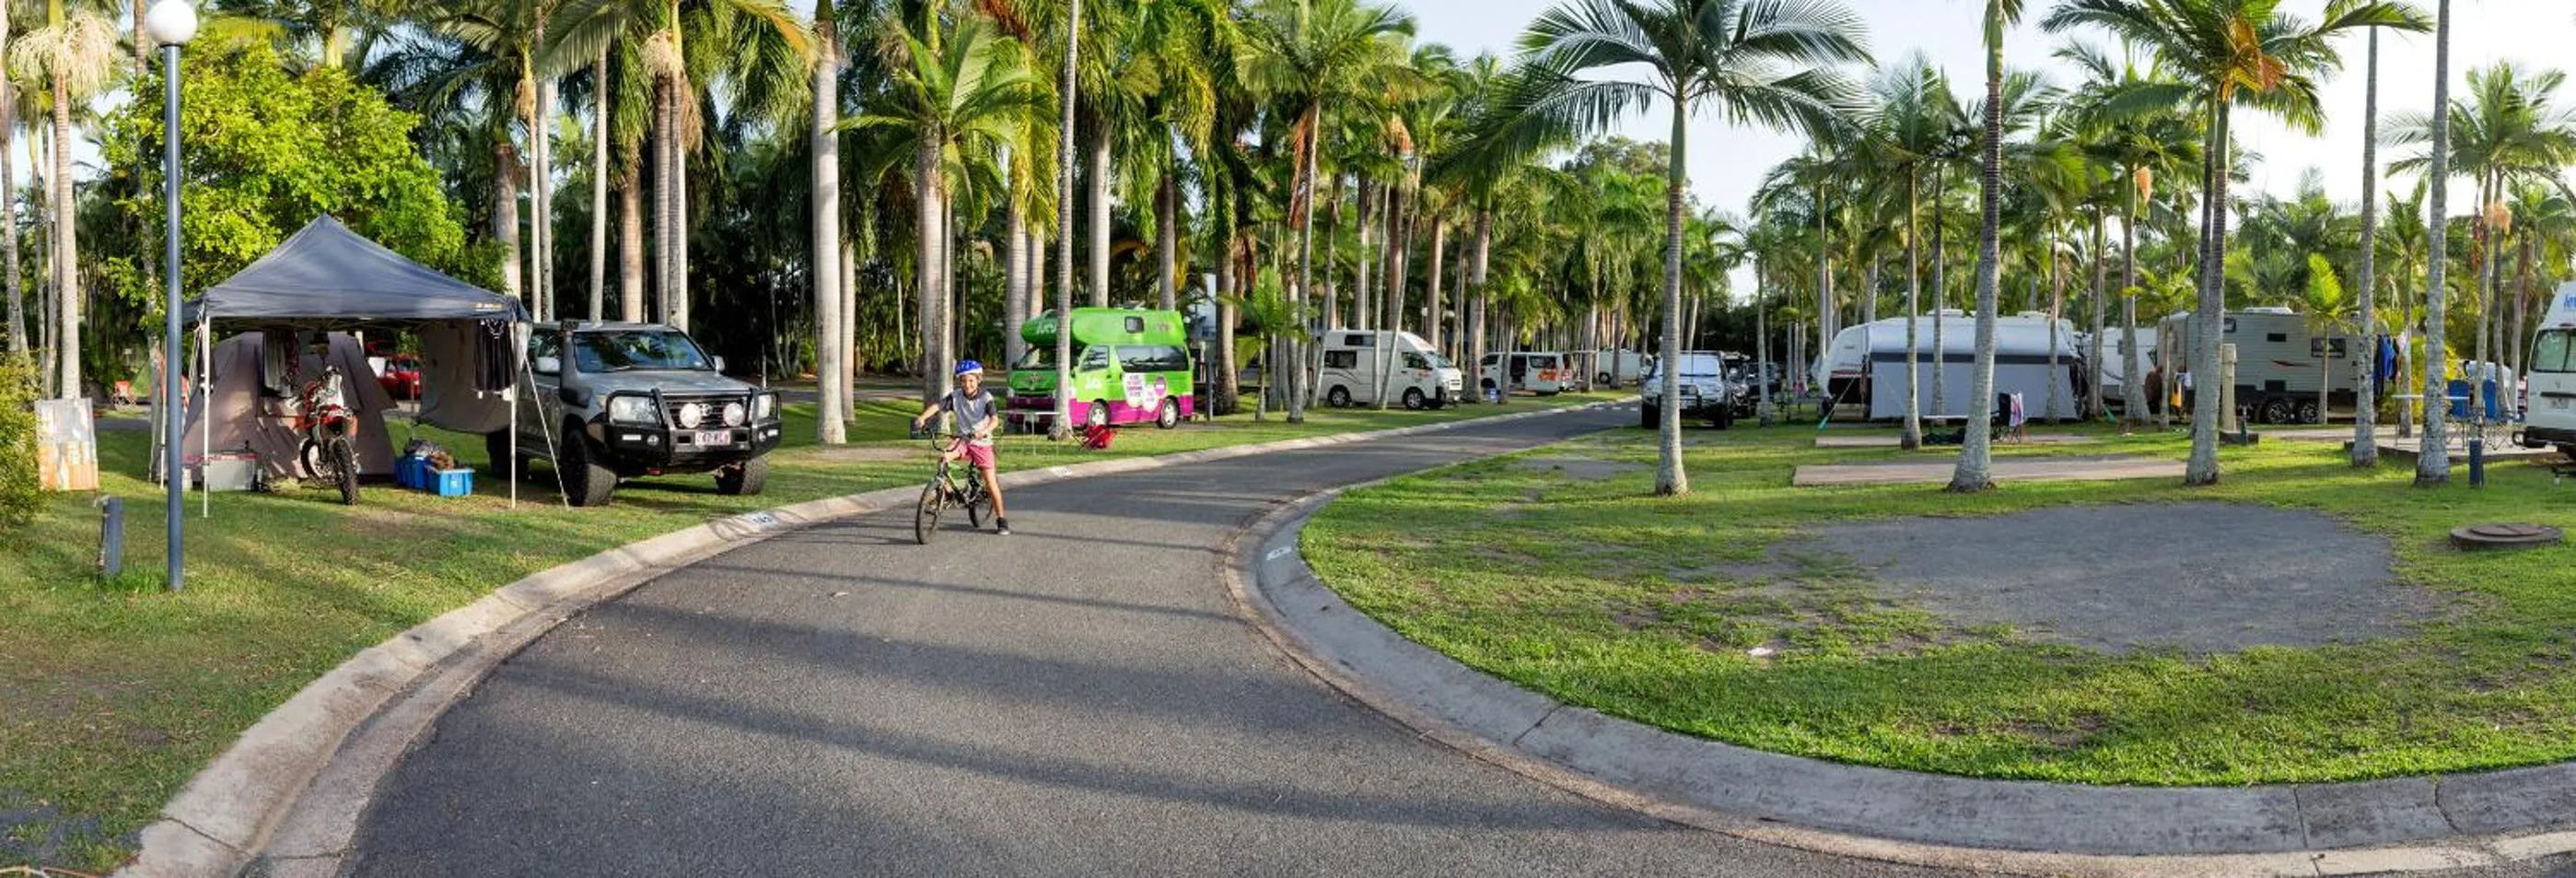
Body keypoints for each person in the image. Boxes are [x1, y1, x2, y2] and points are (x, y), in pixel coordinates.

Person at [912, 360, 1009, 535]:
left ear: (978, 380)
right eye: (963, 380)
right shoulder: (955, 396)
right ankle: (947, 492)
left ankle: (1001, 519)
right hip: (963, 440)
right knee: (943, 458)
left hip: (982, 443)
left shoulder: (986, 398)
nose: (967, 384)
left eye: (971, 380)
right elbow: (937, 406)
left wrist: (983, 431)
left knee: (990, 483)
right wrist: (922, 418)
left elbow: (994, 420)